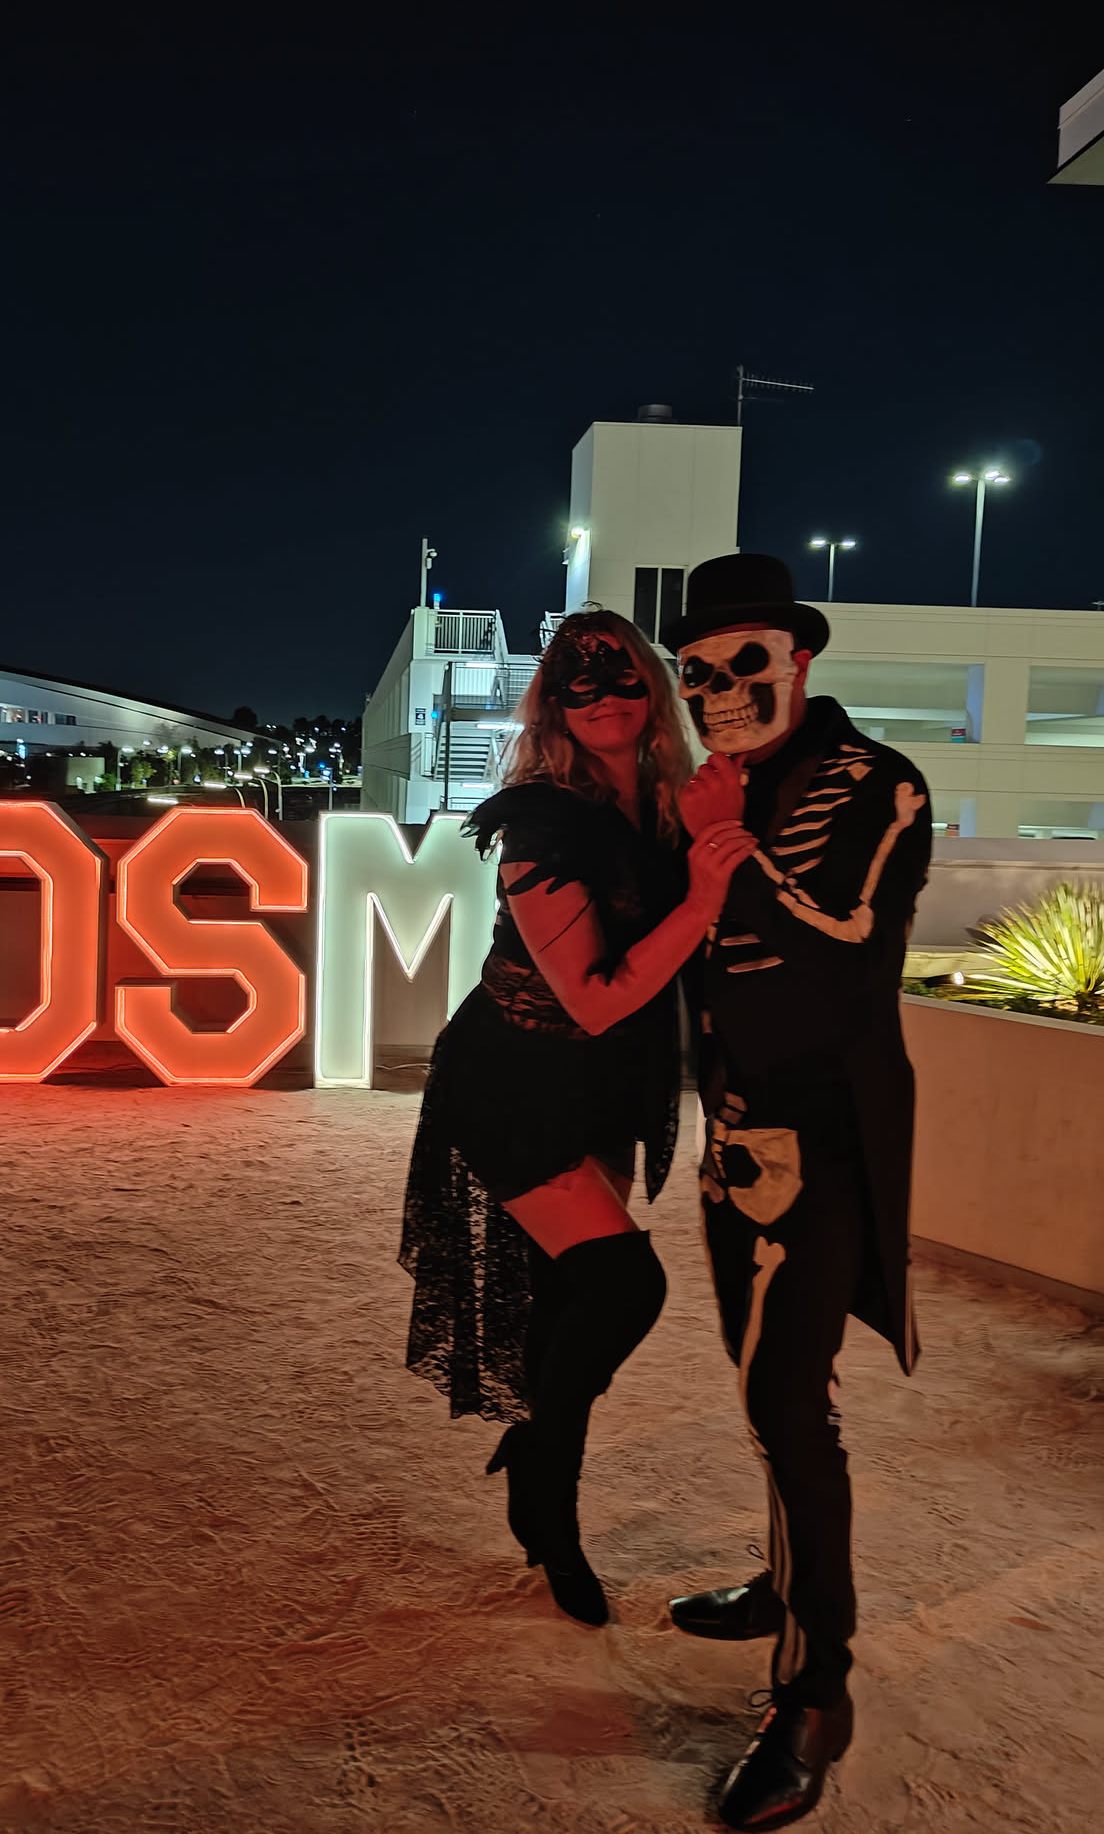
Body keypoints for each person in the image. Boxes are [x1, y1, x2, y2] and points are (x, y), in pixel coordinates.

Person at [399, 608, 756, 1626]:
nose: (602, 698)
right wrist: (702, 894)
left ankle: (539, 1475)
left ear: (654, 689)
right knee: (624, 1283)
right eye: (577, 684)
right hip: (513, 1078)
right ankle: (544, 1480)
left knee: (566, 1309)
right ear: (552, 705)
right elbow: (594, 997)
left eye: (621, 677)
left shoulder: (666, 801)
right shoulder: (539, 825)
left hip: (603, 1082)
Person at [659, 554, 933, 1831]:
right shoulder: (723, 787)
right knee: (766, 1386)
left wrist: (723, 843)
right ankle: (781, 1585)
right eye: (697, 672)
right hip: (733, 1139)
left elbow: (848, 953)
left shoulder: (877, 783)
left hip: (822, 1145)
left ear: (799, 661)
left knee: (789, 1401)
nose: (718, 689)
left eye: (744, 663)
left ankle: (817, 1693)